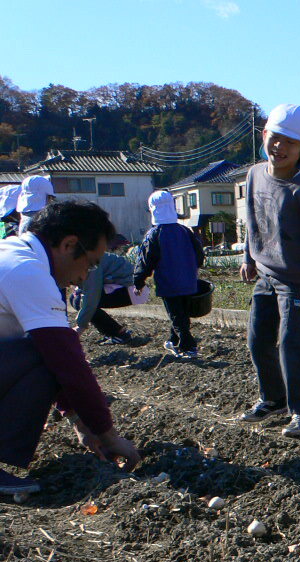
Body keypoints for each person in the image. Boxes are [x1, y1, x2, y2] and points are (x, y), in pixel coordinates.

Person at [0, 200, 141, 496]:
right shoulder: (28, 271)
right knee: (44, 351)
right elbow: (66, 361)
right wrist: (107, 433)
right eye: (89, 263)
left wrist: (79, 420)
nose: (85, 277)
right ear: (68, 244)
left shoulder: (14, 252)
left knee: (41, 350)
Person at [240, 103, 300, 438]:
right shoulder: (253, 175)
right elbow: (251, 218)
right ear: (264, 136)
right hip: (265, 274)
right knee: (257, 340)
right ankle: (273, 398)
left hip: (296, 282)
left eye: (290, 143)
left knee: (290, 343)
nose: (279, 147)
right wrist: (249, 257)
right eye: (275, 138)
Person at [133, 190, 204, 359]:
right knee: (182, 313)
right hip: (188, 281)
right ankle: (173, 341)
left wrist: (138, 281)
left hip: (168, 282)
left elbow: (145, 261)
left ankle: (189, 346)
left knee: (177, 316)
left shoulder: (154, 234)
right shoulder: (185, 231)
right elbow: (199, 256)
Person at [72, 235, 144, 345]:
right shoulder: (85, 256)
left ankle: (118, 334)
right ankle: (114, 332)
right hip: (128, 287)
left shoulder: (89, 261)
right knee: (74, 298)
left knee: (80, 301)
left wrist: (80, 326)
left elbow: (91, 295)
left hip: (134, 290)